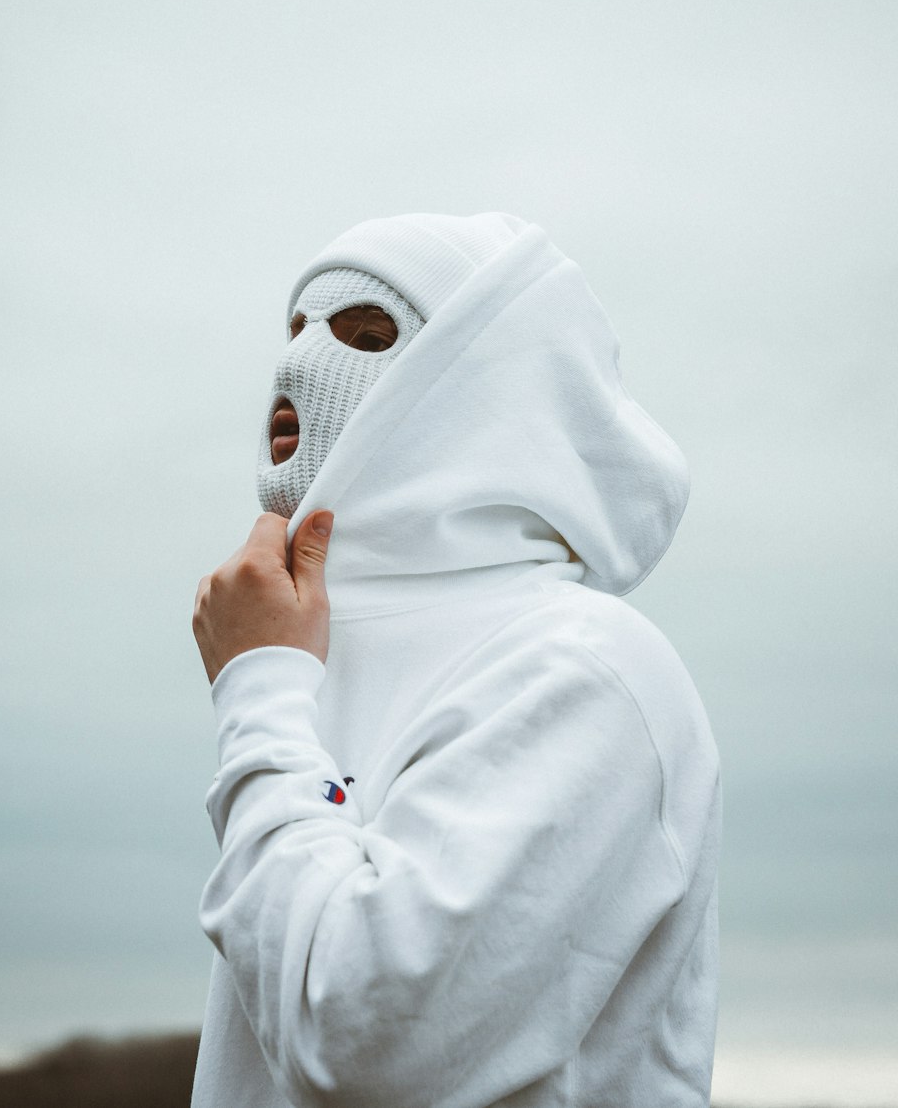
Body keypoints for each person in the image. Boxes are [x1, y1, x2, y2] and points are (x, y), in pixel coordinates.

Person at [190, 213, 721, 1108]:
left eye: (367, 335)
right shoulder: (314, 647)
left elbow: (367, 1044)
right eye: (294, 331)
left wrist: (259, 693)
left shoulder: (583, 665)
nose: (296, 366)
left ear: (482, 384)